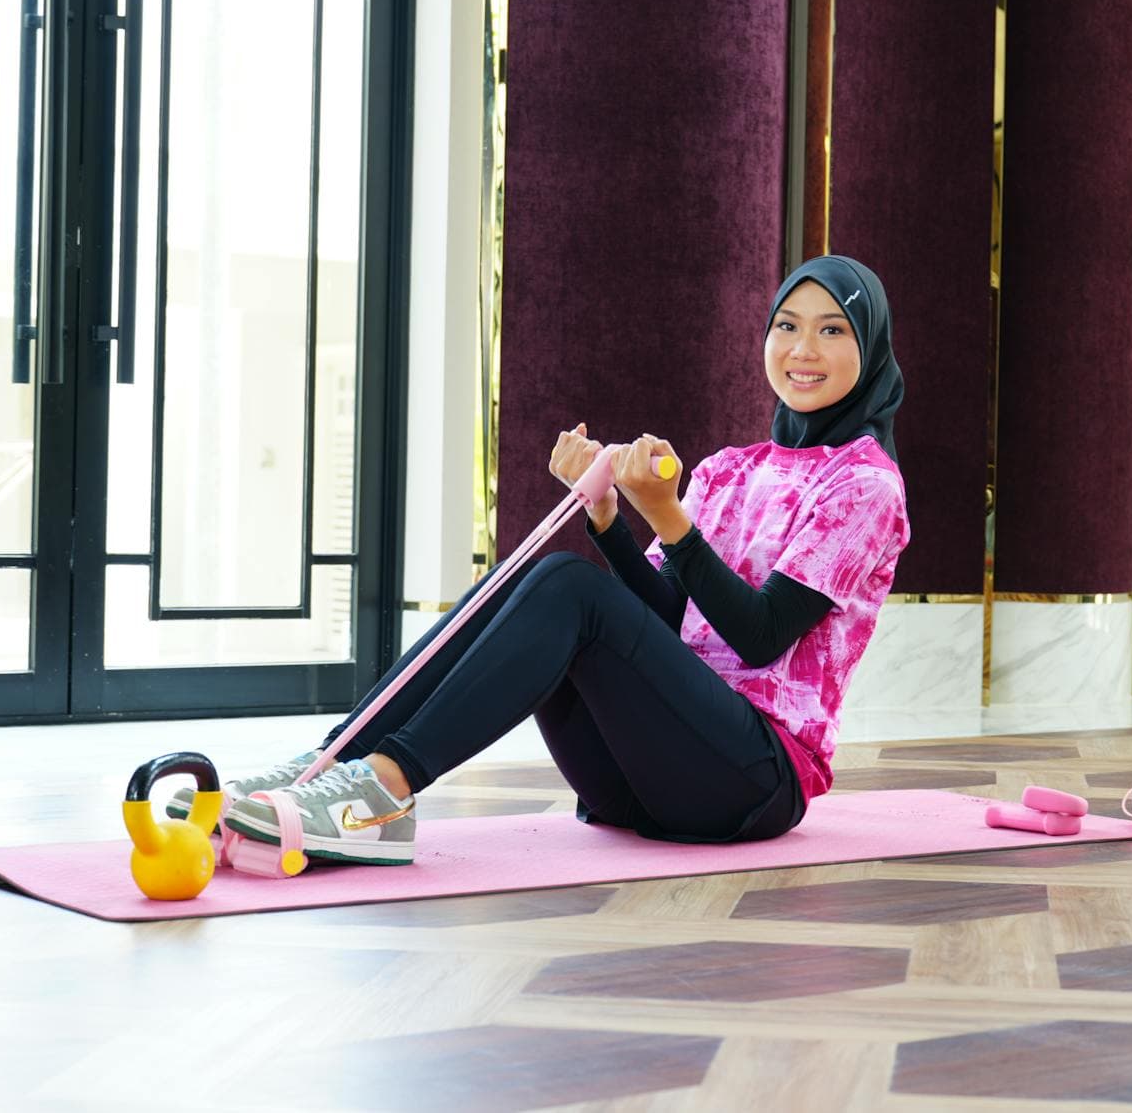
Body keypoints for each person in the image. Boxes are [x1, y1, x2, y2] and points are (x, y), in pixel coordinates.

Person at [210, 255, 910, 864]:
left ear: (869, 347)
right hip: (644, 774)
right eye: (787, 324)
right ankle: (334, 760)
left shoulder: (865, 485)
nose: (802, 348)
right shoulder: (728, 468)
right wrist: (608, 519)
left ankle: (380, 792)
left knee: (570, 587)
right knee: (533, 577)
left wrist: (666, 516)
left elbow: (759, 637)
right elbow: (669, 619)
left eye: (832, 329)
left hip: (752, 781)